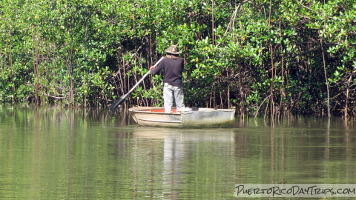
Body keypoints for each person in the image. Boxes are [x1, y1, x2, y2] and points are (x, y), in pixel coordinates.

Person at [150, 45, 188, 113]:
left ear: (169, 53)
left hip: (168, 84)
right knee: (180, 106)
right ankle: (181, 115)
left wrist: (152, 69)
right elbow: (181, 70)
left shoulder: (164, 60)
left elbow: (155, 72)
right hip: (177, 84)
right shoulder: (181, 60)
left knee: (168, 105)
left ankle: (168, 114)